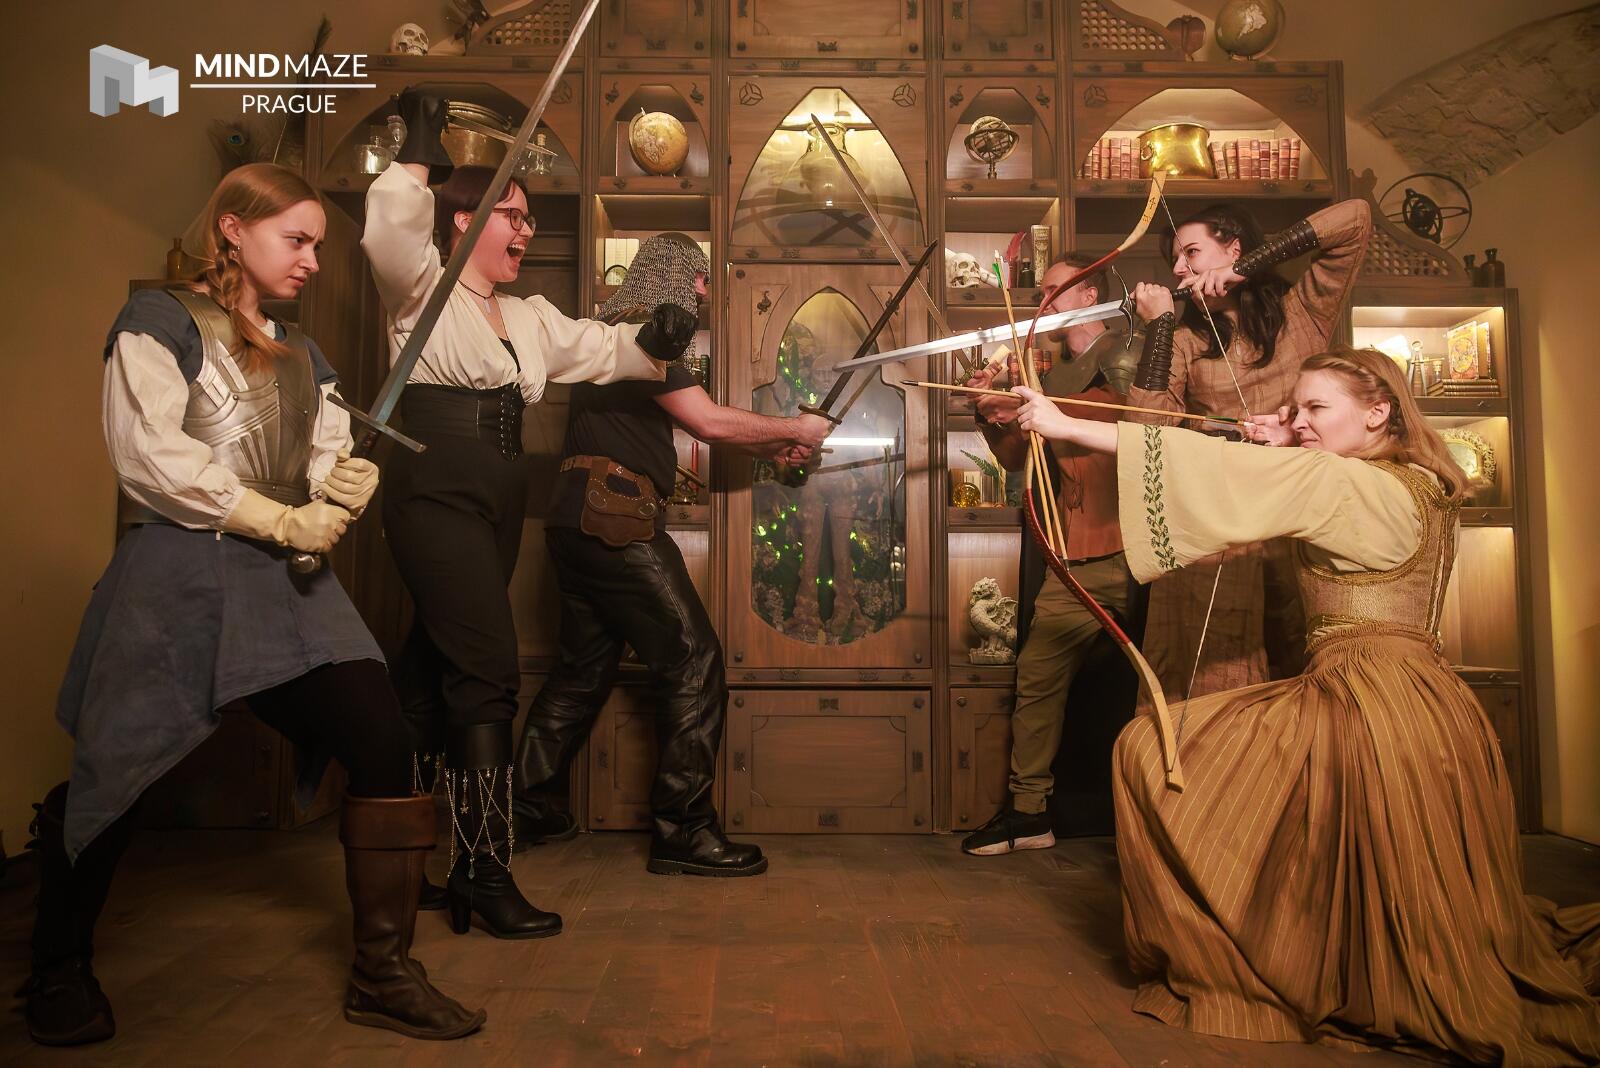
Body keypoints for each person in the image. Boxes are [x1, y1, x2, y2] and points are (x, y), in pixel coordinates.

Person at [1014, 347, 1600, 1064]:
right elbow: (1297, 481)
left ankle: (1287, 959)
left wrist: (1066, 424)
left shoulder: (1341, 481)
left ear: (1378, 411)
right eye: (1296, 409)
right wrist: (1296, 439)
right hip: (1429, 703)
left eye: (1317, 407)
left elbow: (1213, 465)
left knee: (1148, 750)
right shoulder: (1417, 479)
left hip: (1369, 703)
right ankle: (1345, 959)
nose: (1299, 421)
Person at [21, 163, 484, 1047]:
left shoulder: (303, 352)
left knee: (381, 738)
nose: (312, 260)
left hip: (285, 581)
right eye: (296, 239)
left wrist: (339, 483)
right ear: (232, 228)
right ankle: (58, 966)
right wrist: (278, 516)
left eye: (318, 244)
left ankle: (383, 973)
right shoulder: (157, 320)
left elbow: (320, 448)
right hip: (175, 569)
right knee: (118, 769)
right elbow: (149, 456)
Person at [361, 92, 695, 938]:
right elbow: (391, 226)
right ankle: (483, 870)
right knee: (487, 669)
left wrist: (660, 335)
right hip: (434, 488)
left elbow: (609, 350)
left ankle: (406, 862)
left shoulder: (528, 318)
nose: (526, 231)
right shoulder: (420, 290)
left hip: (501, 498)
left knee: (431, 672)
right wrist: (421, 148)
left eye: (528, 219)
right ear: (464, 220)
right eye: (512, 216)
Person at [511, 233, 830, 875]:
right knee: (695, 660)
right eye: (701, 279)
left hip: (575, 521)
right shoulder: (645, 334)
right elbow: (706, 421)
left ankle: (526, 807)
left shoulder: (612, 332)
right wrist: (795, 428)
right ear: (675, 277)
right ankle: (684, 830)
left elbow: (690, 426)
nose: (706, 293)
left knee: (581, 672)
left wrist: (774, 448)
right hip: (615, 518)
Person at [1128, 199, 1372, 702]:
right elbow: (1145, 428)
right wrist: (1160, 327)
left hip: (1304, 514)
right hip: (1227, 524)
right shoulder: (1186, 340)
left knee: (1308, 665)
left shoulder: (1301, 312)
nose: (1179, 269)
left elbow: (1355, 218)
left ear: (1233, 248)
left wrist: (1247, 270)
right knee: (1220, 677)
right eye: (1174, 260)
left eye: (1191, 252)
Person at [957, 256, 1137, 855]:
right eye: (1042, 291)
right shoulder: (1054, 376)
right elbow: (1018, 458)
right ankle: (1029, 813)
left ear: (1090, 293)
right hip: (1075, 555)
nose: (1045, 301)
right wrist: (991, 414)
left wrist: (1040, 408)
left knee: (1162, 680)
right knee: (1037, 677)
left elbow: (1140, 420)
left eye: (1057, 289)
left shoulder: (1125, 354)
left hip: (1142, 552)